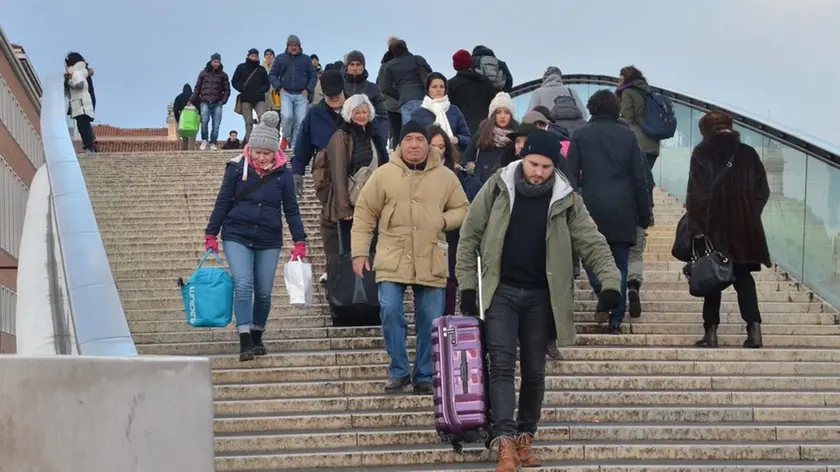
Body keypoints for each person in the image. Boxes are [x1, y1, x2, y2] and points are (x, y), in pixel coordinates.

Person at [456, 129, 621, 471]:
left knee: (534, 370)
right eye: (533, 164)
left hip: (541, 297)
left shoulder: (566, 198)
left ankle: (524, 436)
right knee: (500, 365)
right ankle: (504, 441)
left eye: (546, 166)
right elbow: (469, 234)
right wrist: (469, 288)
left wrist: (610, 283)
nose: (538, 172)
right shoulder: (498, 186)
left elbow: (593, 242)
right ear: (522, 157)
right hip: (500, 291)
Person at [350, 121, 469, 395]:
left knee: (431, 318)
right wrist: (359, 252)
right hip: (393, 255)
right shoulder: (383, 175)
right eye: (408, 139)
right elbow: (365, 214)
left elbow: (463, 208)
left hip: (431, 256)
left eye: (419, 139)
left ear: (429, 144)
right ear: (400, 144)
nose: (414, 144)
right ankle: (399, 370)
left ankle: (424, 374)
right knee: (390, 310)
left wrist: (441, 220)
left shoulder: (446, 176)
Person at [204, 111, 307, 361]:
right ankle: (244, 339)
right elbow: (223, 201)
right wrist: (211, 234)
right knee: (243, 284)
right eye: (257, 152)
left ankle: (258, 333)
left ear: (275, 153)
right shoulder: (236, 168)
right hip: (236, 233)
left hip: (268, 238)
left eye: (267, 153)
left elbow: (291, 209)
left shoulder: (283, 174)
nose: (261, 157)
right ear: (250, 149)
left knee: (263, 291)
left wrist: (300, 240)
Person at [564, 90, 652, 334]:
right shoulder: (628, 136)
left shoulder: (581, 135)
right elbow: (639, 177)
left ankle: (604, 290)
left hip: (591, 208)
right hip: (625, 208)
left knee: (590, 257)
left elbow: (570, 175)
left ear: (592, 108)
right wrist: (644, 214)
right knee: (621, 264)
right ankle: (616, 318)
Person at [687, 111, 770, 349]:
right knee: (744, 278)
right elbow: (762, 190)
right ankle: (754, 332)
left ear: (705, 129)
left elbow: (696, 194)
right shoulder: (747, 153)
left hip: (715, 226)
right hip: (745, 229)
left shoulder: (702, 152)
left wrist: (698, 229)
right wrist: (750, 213)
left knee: (713, 277)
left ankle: (711, 334)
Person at [292, 69, 347, 283]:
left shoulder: (355, 109)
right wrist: (297, 173)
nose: (334, 99)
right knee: (329, 222)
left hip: (356, 176)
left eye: (337, 94)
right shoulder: (315, 114)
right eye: (329, 95)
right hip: (327, 177)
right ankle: (333, 266)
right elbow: (302, 148)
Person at [617, 65, 661, 319]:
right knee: (645, 177)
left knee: (634, 173)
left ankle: (619, 289)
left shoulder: (628, 93)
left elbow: (627, 117)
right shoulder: (648, 91)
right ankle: (649, 208)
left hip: (636, 140)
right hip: (653, 143)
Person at [321, 94, 389, 248]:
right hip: (352, 204)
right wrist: (344, 209)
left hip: (374, 201)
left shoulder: (374, 135)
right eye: (356, 113)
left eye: (364, 112)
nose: (361, 116)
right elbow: (338, 174)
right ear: (349, 114)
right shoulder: (341, 137)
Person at [428, 125, 481, 316]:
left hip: (451, 238)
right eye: (432, 146)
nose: (436, 151)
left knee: (449, 293)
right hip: (424, 241)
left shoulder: (458, 175)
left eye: (441, 146)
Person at [269, 35, 318, 150]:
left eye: (295, 45)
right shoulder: (281, 58)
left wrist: (308, 89)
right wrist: (279, 87)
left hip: (302, 94)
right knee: (287, 117)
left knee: (300, 120)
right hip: (285, 93)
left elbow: (313, 76)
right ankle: (285, 137)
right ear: (287, 46)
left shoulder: (306, 59)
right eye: (291, 45)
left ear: (299, 46)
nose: (293, 48)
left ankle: (295, 143)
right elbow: (272, 75)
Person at [462, 92, 519, 184]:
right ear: (493, 115)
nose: (503, 116)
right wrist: (473, 168)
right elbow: (465, 158)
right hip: (482, 185)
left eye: (506, 112)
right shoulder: (482, 134)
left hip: (507, 185)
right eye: (498, 112)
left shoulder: (517, 137)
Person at [410, 72, 471, 152]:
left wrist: (457, 139)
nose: (438, 89)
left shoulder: (454, 110)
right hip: (426, 157)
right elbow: (412, 139)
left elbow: (468, 138)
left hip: (453, 156)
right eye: (434, 87)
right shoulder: (418, 114)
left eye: (441, 87)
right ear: (428, 89)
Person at [380, 38, 432, 125]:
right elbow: (431, 76)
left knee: (411, 131)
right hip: (424, 98)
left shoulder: (390, 66)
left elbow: (386, 87)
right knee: (428, 131)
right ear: (406, 48)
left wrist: (400, 95)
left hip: (406, 101)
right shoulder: (418, 59)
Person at [448, 49, 496, 134]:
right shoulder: (485, 81)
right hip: (485, 131)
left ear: (455, 65)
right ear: (470, 62)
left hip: (463, 132)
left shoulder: (450, 85)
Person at [342, 50, 388, 140]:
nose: (355, 68)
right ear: (347, 66)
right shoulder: (339, 87)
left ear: (363, 66)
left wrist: (381, 138)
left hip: (368, 137)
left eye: (358, 64)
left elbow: (382, 116)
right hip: (344, 137)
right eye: (352, 64)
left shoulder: (373, 88)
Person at [189, 53, 231, 151]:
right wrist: (191, 100)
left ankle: (213, 143)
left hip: (217, 103)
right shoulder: (203, 73)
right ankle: (204, 140)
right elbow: (197, 88)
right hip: (204, 101)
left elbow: (227, 90)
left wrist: (223, 101)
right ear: (211, 61)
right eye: (215, 61)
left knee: (216, 125)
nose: (217, 64)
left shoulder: (223, 75)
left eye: (218, 62)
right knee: (204, 122)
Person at [527, 67, 587, 131]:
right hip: (572, 134)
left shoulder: (538, 93)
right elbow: (584, 114)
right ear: (560, 77)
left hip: (549, 134)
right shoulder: (571, 91)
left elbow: (529, 118)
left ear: (544, 79)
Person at [232, 48, 270, 145]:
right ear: (248, 56)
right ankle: (249, 143)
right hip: (246, 99)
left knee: (263, 119)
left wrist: (261, 90)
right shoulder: (241, 67)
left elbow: (267, 84)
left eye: (256, 56)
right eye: (252, 55)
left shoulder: (261, 69)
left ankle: (263, 141)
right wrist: (242, 89)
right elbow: (234, 81)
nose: (254, 57)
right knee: (248, 122)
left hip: (259, 98)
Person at [65, 52, 97, 152]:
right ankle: (90, 145)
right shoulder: (83, 72)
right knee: (84, 125)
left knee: (83, 126)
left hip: (81, 104)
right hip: (83, 104)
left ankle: (89, 147)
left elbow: (81, 85)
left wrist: (70, 83)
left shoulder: (77, 73)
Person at [173, 83, 197, 151]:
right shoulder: (195, 97)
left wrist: (178, 119)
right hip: (193, 119)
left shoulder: (179, 97)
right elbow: (199, 108)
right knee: (192, 136)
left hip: (182, 120)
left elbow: (175, 110)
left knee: (183, 136)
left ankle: (184, 151)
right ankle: (192, 151)